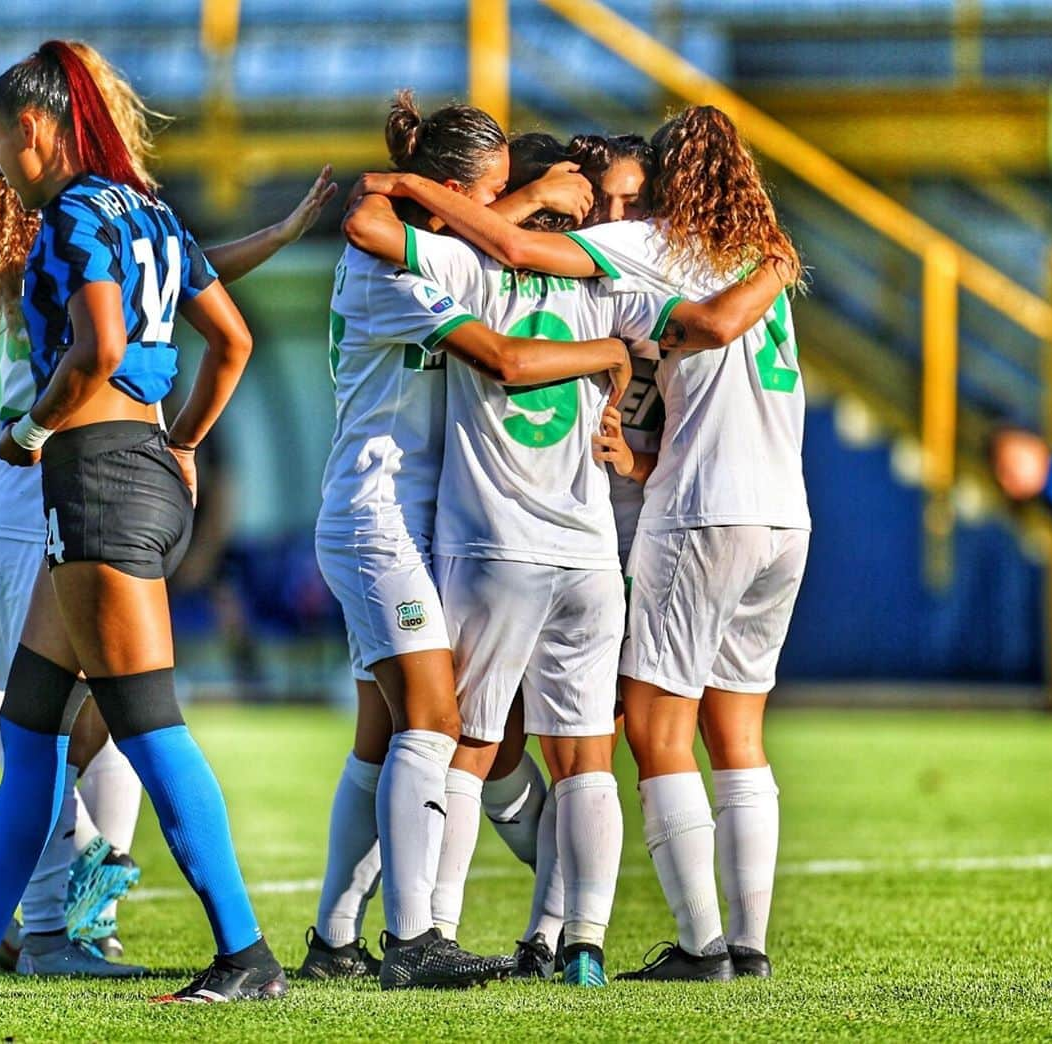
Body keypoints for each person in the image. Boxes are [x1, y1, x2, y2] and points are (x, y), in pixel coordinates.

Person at [350, 103, 806, 982]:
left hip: (598, 527)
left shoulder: (620, 256)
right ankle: (593, 940)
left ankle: (458, 932)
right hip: (703, 522)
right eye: (610, 199)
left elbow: (502, 259)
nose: (621, 213)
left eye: (639, 195)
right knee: (635, 740)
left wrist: (423, 188)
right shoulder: (748, 259)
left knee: (504, 739)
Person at [0, 43, 337, 972]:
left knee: (146, 724)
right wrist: (180, 441)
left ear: (32, 128)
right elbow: (232, 338)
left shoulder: (67, 214)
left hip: (95, 478)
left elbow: (97, 348)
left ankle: (245, 955)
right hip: (136, 470)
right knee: (29, 733)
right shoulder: (149, 209)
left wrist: (29, 428)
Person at [315, 90, 635, 990]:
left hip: (408, 521)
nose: (498, 205)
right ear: (449, 189)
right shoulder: (401, 273)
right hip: (376, 516)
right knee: (438, 721)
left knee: (384, 733)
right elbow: (502, 357)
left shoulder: (448, 255)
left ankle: (336, 935)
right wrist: (608, 352)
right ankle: (415, 942)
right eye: (487, 190)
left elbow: (468, 242)